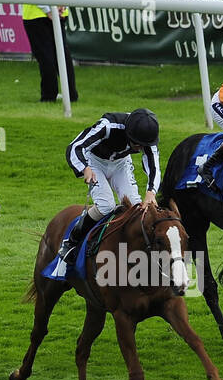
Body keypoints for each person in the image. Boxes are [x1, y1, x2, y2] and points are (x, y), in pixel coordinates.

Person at [57, 109, 161, 270]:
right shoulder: (108, 125)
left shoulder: (147, 139)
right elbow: (75, 146)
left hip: (120, 164)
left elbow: (154, 166)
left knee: (136, 207)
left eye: (143, 146)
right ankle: (71, 242)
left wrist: (151, 192)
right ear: (128, 132)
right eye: (137, 144)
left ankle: (135, 250)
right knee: (106, 205)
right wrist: (84, 168)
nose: (140, 148)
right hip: (94, 162)